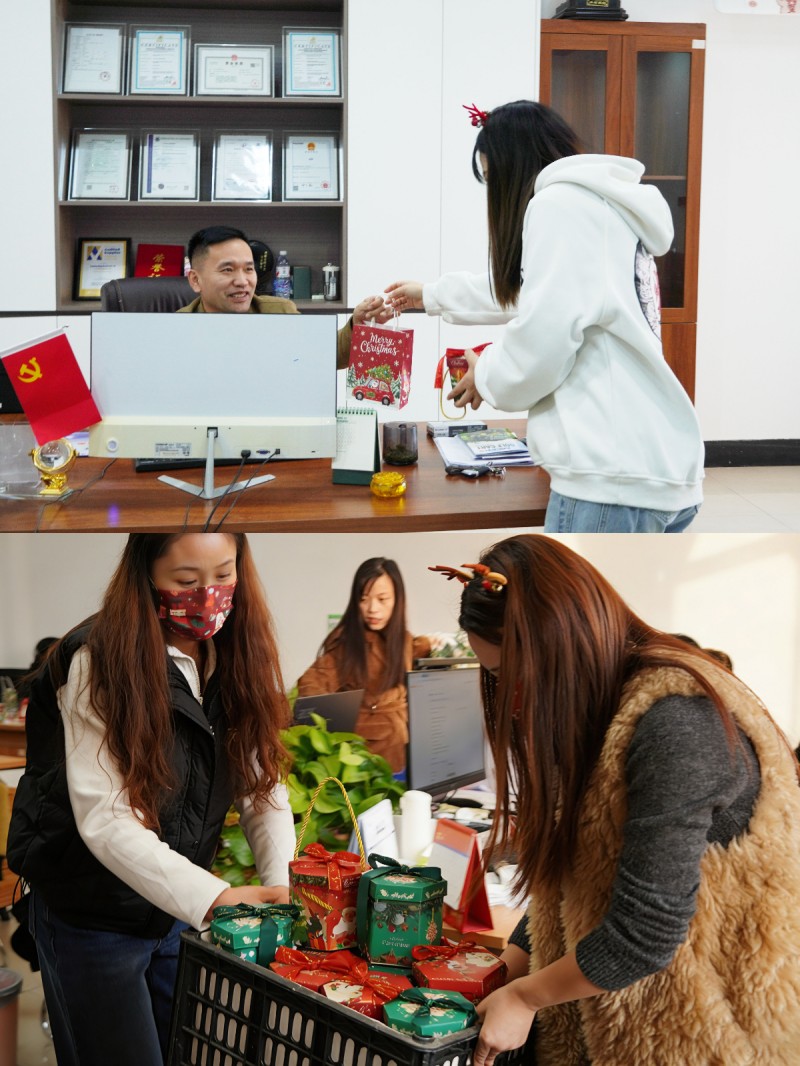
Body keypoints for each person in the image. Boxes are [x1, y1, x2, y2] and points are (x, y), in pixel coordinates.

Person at [430, 535, 800, 1065]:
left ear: (561, 647)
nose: (510, 701)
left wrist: (526, 996)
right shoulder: (595, 712)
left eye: (513, 675)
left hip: (703, 1034)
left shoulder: (677, 725)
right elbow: (569, 883)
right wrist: (507, 968)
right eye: (494, 677)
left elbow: (645, 932)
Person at [7, 533, 296, 1066]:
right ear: (145, 575)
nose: (208, 596)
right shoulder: (97, 659)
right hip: (92, 915)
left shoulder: (237, 652)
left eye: (224, 575)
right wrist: (215, 898)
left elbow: (262, 787)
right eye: (186, 581)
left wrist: (283, 887)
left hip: (172, 912)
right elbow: (107, 820)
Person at [386, 101, 704, 533]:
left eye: (492, 178)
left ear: (511, 167)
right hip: (652, 466)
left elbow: (542, 343)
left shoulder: (559, 206)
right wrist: (429, 295)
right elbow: (532, 290)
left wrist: (485, 373)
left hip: (609, 478)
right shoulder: (601, 207)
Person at [180, 225, 392, 369]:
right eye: (227, 270)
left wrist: (358, 324)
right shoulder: (175, 330)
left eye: (249, 269)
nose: (243, 281)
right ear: (195, 280)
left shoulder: (278, 312)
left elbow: (324, 355)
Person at [296, 557, 430, 773]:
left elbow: (409, 658)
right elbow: (310, 689)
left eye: (382, 599)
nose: (372, 609)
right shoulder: (346, 643)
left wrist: (428, 645)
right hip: (365, 759)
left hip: (404, 750)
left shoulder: (403, 639)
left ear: (397, 599)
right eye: (364, 599)